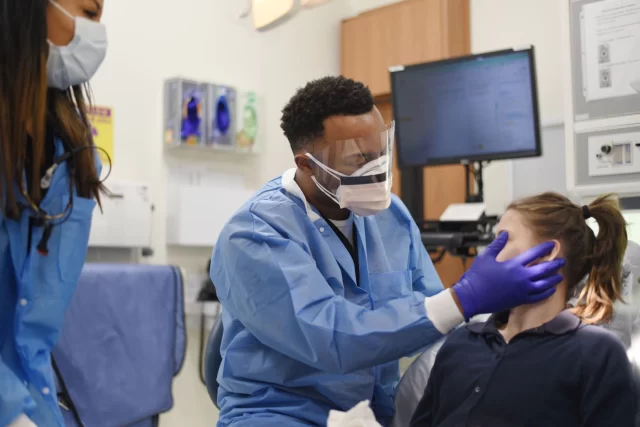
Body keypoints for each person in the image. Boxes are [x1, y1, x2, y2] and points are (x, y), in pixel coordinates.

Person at [209, 76, 566, 427]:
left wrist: (498, 323)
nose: (377, 168)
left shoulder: (390, 214)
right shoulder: (254, 234)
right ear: (307, 165)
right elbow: (333, 338)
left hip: (373, 412)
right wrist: (464, 297)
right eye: (358, 159)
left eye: (380, 152)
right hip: (280, 414)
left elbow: (429, 319)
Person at [410, 192, 636, 427]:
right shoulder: (461, 342)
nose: (488, 256)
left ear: (547, 254)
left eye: (503, 240)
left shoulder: (596, 353)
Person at [0, 1, 107, 426]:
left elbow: (34, 330)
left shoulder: (75, 154)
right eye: (89, 11)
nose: (97, 31)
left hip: (32, 398)